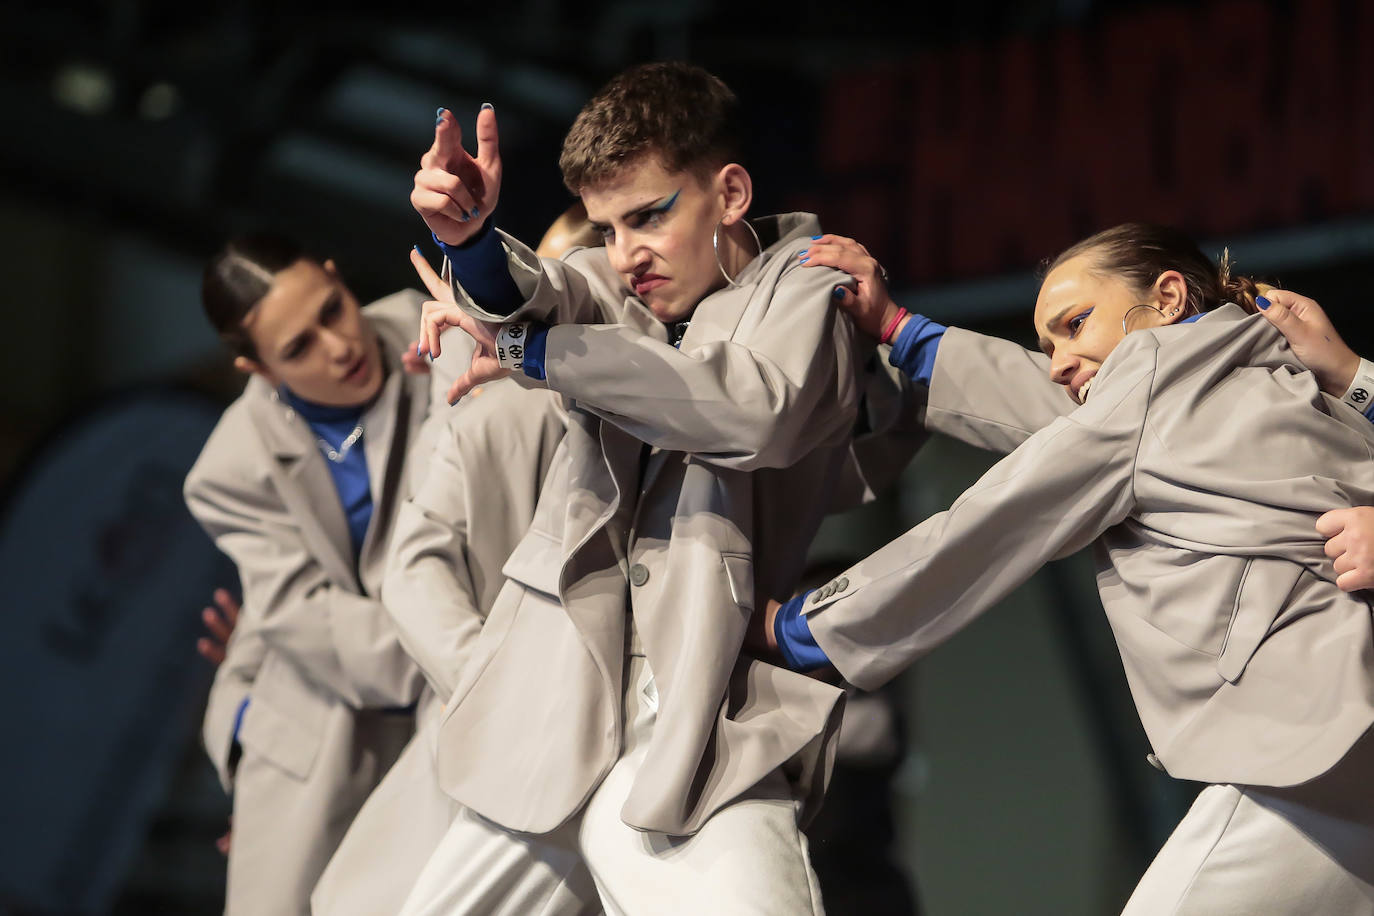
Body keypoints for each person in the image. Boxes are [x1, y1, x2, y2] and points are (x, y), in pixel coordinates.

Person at [767, 223, 1374, 912]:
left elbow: (990, 525)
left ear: (1168, 298)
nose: (1057, 361)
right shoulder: (1274, 379)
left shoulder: (1152, 386)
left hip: (1316, 748)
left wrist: (801, 629)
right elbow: (1068, 411)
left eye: (1074, 325)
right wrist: (900, 329)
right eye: (1048, 342)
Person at [399, 61, 867, 914]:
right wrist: (471, 247)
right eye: (609, 228)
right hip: (550, 705)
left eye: (650, 215)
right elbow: (552, 292)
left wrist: (528, 356)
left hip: (696, 721)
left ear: (729, 194)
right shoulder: (613, 280)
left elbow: (748, 410)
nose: (628, 253)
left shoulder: (809, 283)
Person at [185, 232, 464, 915]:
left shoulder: (444, 328)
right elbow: (305, 623)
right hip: (328, 731)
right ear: (258, 369)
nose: (338, 347)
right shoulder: (229, 468)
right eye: (298, 349)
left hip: (459, 699)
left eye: (333, 310)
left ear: (341, 279)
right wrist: (462, 646)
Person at [308, 229, 570, 916]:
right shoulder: (476, 399)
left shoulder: (475, 370)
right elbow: (410, 575)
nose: (334, 347)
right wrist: (497, 693)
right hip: (471, 724)